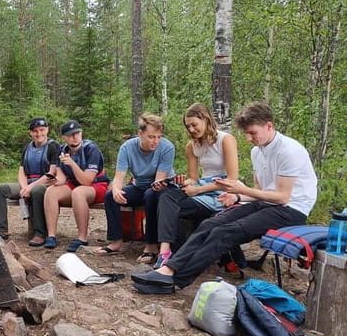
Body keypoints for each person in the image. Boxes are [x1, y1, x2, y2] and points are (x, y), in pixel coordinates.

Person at [133, 103, 317, 293]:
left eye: (252, 133)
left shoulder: (288, 150)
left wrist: (239, 190)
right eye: (246, 133)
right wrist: (237, 197)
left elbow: (282, 197)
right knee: (210, 224)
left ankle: (176, 280)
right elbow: (260, 191)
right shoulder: (257, 151)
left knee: (226, 232)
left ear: (269, 126)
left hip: (291, 209)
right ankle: (167, 269)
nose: (248, 138)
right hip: (266, 203)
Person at [152, 103, 239, 268]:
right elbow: (193, 177)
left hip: (222, 191)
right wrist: (181, 182)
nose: (191, 129)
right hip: (202, 187)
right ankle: (165, 251)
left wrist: (198, 189)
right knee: (166, 195)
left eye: (194, 125)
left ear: (205, 119)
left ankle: (178, 254)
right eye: (188, 126)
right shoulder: (192, 146)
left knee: (171, 206)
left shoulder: (225, 140)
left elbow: (232, 180)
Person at [94, 114, 175, 262]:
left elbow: (159, 180)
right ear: (140, 134)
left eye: (158, 137)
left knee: (151, 195)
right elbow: (118, 178)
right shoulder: (127, 148)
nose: (155, 141)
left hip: (161, 187)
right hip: (139, 185)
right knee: (110, 196)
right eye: (151, 137)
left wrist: (158, 185)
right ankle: (116, 241)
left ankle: (151, 245)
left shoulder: (167, 147)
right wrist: (117, 190)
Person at [43, 120, 109, 251]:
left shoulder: (91, 149)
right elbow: (62, 177)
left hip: (97, 185)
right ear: (64, 138)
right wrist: (55, 181)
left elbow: (87, 181)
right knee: (51, 191)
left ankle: (82, 238)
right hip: (74, 185)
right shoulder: (61, 150)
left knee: (78, 192)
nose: (74, 137)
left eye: (77, 133)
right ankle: (51, 235)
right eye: (70, 135)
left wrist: (72, 164)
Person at [0, 117, 59, 245]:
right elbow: (22, 170)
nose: (39, 134)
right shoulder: (27, 147)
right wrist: (24, 187)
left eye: (42, 130)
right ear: (31, 133)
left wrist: (31, 187)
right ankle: (1, 229)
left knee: (37, 191)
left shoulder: (53, 146)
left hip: (45, 184)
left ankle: (40, 233)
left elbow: (52, 173)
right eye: (35, 131)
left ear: (47, 130)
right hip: (28, 182)